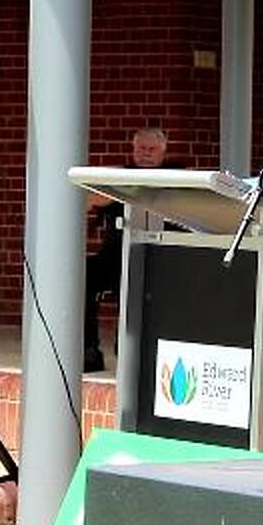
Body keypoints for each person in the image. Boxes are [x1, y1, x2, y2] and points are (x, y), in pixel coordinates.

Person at [83, 127, 169, 372]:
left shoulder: (173, 176)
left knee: (134, 281)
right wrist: (113, 192)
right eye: (141, 148)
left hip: (156, 256)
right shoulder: (121, 176)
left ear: (162, 152)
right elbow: (89, 200)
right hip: (114, 257)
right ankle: (89, 350)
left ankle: (130, 353)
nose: (146, 154)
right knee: (82, 276)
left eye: (152, 149)